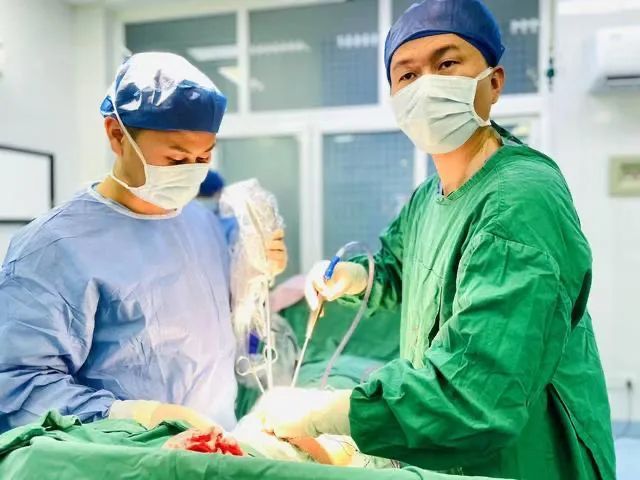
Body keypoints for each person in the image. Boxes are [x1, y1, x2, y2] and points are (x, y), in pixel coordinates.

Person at [253, 1, 615, 479]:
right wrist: (356, 278)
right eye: (406, 75)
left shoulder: (520, 200)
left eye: (446, 64)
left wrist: (329, 411)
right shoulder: (429, 198)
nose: (425, 86)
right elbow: (399, 270)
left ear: (494, 82)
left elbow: (477, 393)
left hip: (528, 457)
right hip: (452, 448)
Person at [0, 52, 283, 434]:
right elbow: (18, 385)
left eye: (203, 157)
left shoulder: (202, 223)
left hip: (217, 448)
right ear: (117, 135)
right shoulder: (52, 248)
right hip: (125, 454)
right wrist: (135, 416)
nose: (191, 171)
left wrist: (253, 274)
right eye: (176, 159)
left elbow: (214, 326)